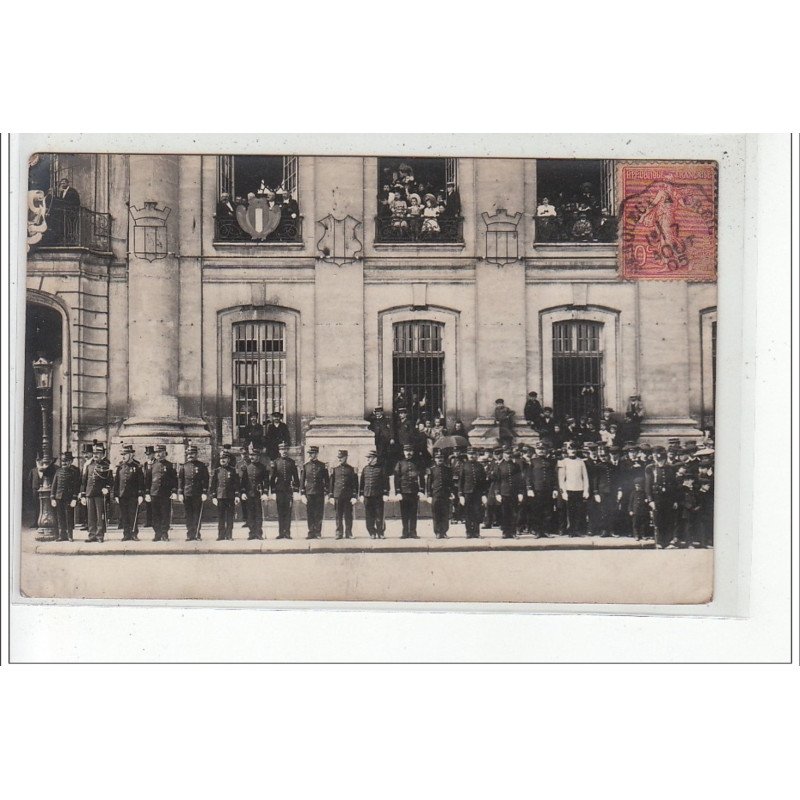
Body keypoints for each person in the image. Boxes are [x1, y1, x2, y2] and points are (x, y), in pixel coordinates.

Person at [80, 442, 113, 542]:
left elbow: (111, 481)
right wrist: (82, 494)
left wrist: (107, 488)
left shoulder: (106, 465)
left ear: (102, 454)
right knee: (91, 517)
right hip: (90, 493)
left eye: (98, 453)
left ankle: (99, 536)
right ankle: (91, 535)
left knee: (100, 516)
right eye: (94, 453)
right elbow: (84, 481)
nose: (95, 455)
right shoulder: (89, 465)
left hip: (100, 494)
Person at [645, 447, 677, 549]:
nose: (660, 462)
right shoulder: (650, 468)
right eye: (656, 458)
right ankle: (658, 542)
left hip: (668, 498)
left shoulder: (670, 468)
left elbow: (673, 485)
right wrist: (650, 500)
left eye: (661, 460)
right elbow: (648, 486)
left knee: (668, 520)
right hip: (657, 498)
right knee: (658, 520)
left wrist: (675, 500)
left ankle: (667, 542)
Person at [145, 444, 178, 541]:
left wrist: (174, 491)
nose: (158, 454)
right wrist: (147, 493)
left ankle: (164, 533)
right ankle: (157, 533)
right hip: (154, 493)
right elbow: (147, 480)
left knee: (165, 514)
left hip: (165, 494)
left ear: (165, 453)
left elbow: (174, 480)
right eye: (156, 453)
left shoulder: (169, 465)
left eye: (160, 452)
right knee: (155, 514)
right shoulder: (151, 466)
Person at [178, 443, 210, 541]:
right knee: (188, 515)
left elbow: (206, 480)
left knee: (197, 514)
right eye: (188, 454)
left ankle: (197, 534)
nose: (190, 455)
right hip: (187, 494)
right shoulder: (184, 466)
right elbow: (180, 480)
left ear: (196, 454)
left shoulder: (202, 466)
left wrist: (205, 492)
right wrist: (180, 493)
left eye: (192, 453)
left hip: (198, 494)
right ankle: (189, 534)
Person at [113, 444, 145, 541]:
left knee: (133, 515)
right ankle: (126, 534)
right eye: (122, 454)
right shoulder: (120, 467)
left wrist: (140, 495)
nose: (123, 456)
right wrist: (116, 494)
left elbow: (141, 482)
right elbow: (116, 482)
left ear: (131, 455)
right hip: (122, 495)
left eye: (125, 454)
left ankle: (134, 534)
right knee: (124, 515)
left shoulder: (137, 466)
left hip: (133, 496)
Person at [557, 443, 590, 536]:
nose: (572, 451)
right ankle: (571, 531)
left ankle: (577, 530)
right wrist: (563, 492)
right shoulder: (563, 462)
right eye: (570, 449)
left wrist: (586, 490)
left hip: (579, 489)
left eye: (574, 448)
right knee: (571, 512)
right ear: (567, 451)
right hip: (569, 490)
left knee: (579, 511)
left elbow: (585, 477)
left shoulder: (581, 461)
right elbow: (561, 479)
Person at [527, 441, 558, 538]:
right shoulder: (532, 461)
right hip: (537, 489)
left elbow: (554, 476)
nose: (541, 451)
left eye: (543, 449)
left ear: (546, 450)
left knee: (548, 510)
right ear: (536, 450)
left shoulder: (551, 462)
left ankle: (546, 531)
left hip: (548, 489)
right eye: (539, 449)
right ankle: (537, 531)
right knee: (536, 511)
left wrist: (555, 489)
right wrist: (529, 488)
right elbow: (529, 476)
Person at [492, 445, 523, 539]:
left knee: (514, 513)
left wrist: (520, 492)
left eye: (510, 453)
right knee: (505, 513)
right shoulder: (499, 466)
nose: (508, 455)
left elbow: (519, 480)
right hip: (504, 492)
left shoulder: (516, 466)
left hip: (514, 492)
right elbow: (497, 481)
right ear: (503, 454)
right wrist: (497, 493)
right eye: (506, 453)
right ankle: (505, 532)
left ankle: (513, 532)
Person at [270, 441, 299, 539]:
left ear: (288, 450)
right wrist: (273, 491)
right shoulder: (276, 462)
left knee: (288, 512)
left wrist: (296, 490)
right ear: (279, 450)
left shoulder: (292, 462)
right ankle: (281, 532)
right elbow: (272, 478)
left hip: (288, 490)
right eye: (282, 449)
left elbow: (296, 478)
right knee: (280, 511)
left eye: (285, 449)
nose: (284, 451)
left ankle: (287, 533)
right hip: (279, 490)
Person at [394, 444, 424, 538]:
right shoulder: (400, 463)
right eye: (407, 451)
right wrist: (398, 492)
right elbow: (396, 478)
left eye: (410, 451)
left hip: (414, 492)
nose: (409, 453)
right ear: (404, 452)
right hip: (404, 492)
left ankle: (413, 532)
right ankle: (405, 532)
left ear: (413, 452)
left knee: (413, 513)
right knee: (404, 513)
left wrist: (421, 490)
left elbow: (421, 477)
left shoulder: (417, 463)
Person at [210, 447, 240, 540]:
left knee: (230, 516)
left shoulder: (233, 470)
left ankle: (229, 535)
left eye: (224, 458)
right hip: (220, 496)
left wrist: (237, 495)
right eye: (221, 459)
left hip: (230, 496)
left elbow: (236, 484)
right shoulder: (217, 471)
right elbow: (213, 484)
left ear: (228, 459)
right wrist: (213, 496)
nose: (222, 460)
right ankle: (221, 535)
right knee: (221, 516)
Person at [50, 450, 81, 541]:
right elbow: (54, 485)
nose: (64, 463)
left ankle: (70, 536)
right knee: (60, 517)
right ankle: (61, 535)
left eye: (66, 461)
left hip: (69, 498)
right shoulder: (58, 471)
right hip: (58, 497)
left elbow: (76, 486)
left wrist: (74, 498)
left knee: (69, 517)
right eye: (63, 461)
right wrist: (52, 498)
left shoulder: (74, 472)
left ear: (70, 462)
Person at [300, 445, 329, 539]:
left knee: (319, 513)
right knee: (310, 513)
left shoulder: (322, 465)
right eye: (310, 454)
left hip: (319, 492)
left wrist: (327, 492)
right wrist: (302, 493)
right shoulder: (306, 466)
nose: (312, 455)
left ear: (317, 454)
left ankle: (318, 532)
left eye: (313, 453)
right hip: (309, 493)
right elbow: (302, 480)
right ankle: (311, 531)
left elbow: (327, 480)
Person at [458, 447, 487, 539]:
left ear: (476, 455)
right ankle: (469, 532)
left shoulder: (480, 466)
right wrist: (460, 494)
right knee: (468, 513)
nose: (472, 456)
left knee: (477, 512)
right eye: (470, 454)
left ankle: (476, 532)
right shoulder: (464, 465)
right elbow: (461, 481)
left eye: (473, 454)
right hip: (467, 492)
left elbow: (483, 482)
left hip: (477, 493)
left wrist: (483, 494)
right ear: (467, 455)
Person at [329, 450, 358, 539]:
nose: (340, 459)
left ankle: (348, 533)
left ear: (346, 457)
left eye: (341, 457)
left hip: (348, 496)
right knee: (338, 515)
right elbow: (331, 483)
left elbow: (355, 484)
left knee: (348, 515)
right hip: (338, 496)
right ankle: (338, 533)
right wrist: (331, 496)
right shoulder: (335, 469)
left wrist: (354, 496)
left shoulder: (351, 469)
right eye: (339, 458)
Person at [360, 450, 389, 539]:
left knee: (379, 515)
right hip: (367, 495)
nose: (368, 459)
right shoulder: (365, 469)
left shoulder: (381, 469)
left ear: (375, 458)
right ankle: (372, 532)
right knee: (369, 516)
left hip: (378, 496)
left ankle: (380, 532)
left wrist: (385, 493)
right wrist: (361, 494)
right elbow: (362, 483)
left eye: (370, 458)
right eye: (368, 458)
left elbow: (386, 483)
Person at [426, 449, 453, 539]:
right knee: (436, 514)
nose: (440, 459)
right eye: (438, 458)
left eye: (441, 457)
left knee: (445, 514)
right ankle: (437, 532)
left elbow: (450, 483)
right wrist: (429, 495)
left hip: (445, 495)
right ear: (435, 459)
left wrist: (451, 492)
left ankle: (444, 532)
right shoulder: (432, 470)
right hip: (436, 495)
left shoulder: (448, 470)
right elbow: (429, 483)